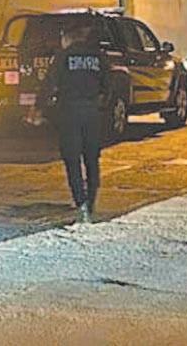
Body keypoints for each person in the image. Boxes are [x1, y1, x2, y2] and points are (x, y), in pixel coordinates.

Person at [34, 25, 109, 224]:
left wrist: (39, 108)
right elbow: (108, 85)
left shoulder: (63, 56)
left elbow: (49, 83)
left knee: (72, 159)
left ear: (68, 38)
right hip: (92, 113)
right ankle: (91, 202)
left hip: (69, 112)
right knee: (92, 159)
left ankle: (80, 202)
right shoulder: (98, 57)